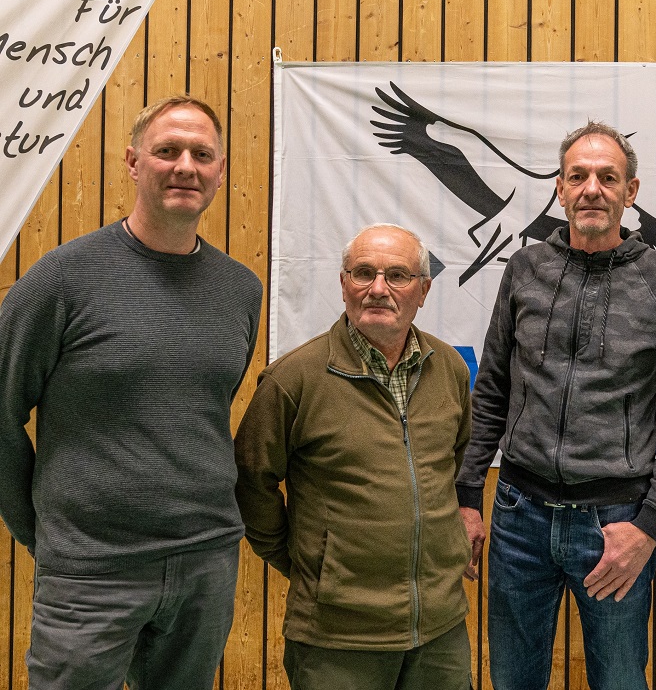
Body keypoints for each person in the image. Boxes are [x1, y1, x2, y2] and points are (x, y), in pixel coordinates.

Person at [0, 95, 263, 689]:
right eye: (167, 151)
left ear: (221, 171)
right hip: (90, 575)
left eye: (202, 154)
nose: (185, 166)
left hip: (205, 566)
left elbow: (203, 411)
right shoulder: (63, 279)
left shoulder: (240, 289)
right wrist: (41, 529)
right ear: (133, 163)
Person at [455, 121, 656, 690]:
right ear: (561, 189)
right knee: (513, 680)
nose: (592, 188)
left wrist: (650, 526)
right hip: (520, 517)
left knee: (619, 680)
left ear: (631, 191)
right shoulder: (523, 270)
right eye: (578, 176)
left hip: (615, 524)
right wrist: (469, 497)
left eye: (607, 177)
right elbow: (492, 389)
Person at [234, 223, 473, 690]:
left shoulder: (449, 367)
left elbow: (455, 461)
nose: (378, 289)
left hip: (440, 631)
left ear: (423, 290)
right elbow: (250, 481)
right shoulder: (294, 379)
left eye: (398, 276)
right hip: (337, 637)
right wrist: (312, 565)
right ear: (344, 284)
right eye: (363, 273)